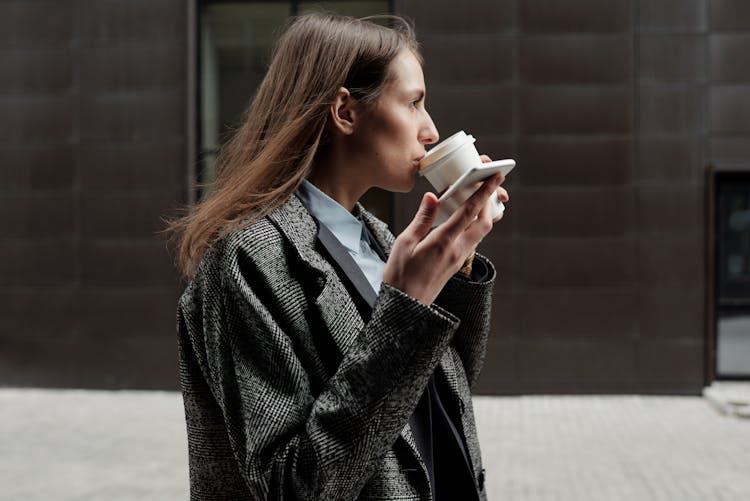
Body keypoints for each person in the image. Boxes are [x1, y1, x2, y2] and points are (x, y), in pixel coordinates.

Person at [168, 12, 509, 501]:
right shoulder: (248, 259)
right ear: (345, 111)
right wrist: (408, 306)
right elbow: (294, 487)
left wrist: (461, 254)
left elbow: (438, 390)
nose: (431, 131)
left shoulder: (378, 238)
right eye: (414, 103)